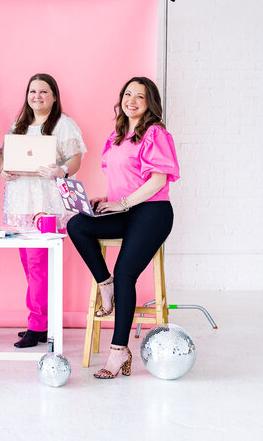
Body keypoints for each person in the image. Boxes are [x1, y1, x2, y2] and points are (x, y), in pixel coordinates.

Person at [67, 77, 179, 378]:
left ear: (149, 103)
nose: (132, 100)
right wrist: (110, 199)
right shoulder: (117, 137)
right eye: (127, 94)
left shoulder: (156, 134)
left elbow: (157, 181)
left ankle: (118, 351)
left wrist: (123, 203)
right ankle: (106, 286)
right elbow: (124, 180)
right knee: (77, 224)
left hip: (152, 213)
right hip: (126, 208)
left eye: (139, 97)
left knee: (126, 272)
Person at [0, 73, 86, 348]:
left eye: (44, 92)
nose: (37, 96)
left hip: (45, 206)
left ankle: (37, 325)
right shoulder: (20, 125)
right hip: (20, 204)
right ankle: (41, 321)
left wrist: (62, 170)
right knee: (29, 265)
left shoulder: (63, 124)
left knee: (37, 265)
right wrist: (2, 168)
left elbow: (76, 157)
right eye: (32, 91)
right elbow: (1, 155)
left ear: (54, 96)